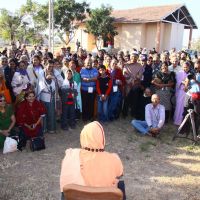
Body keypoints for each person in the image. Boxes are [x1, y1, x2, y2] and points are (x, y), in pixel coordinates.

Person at [60, 121, 125, 200]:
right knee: (120, 185)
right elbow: (120, 174)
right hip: (104, 197)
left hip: (77, 197)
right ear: (102, 137)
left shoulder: (70, 155)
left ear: (82, 136)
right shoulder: (114, 159)